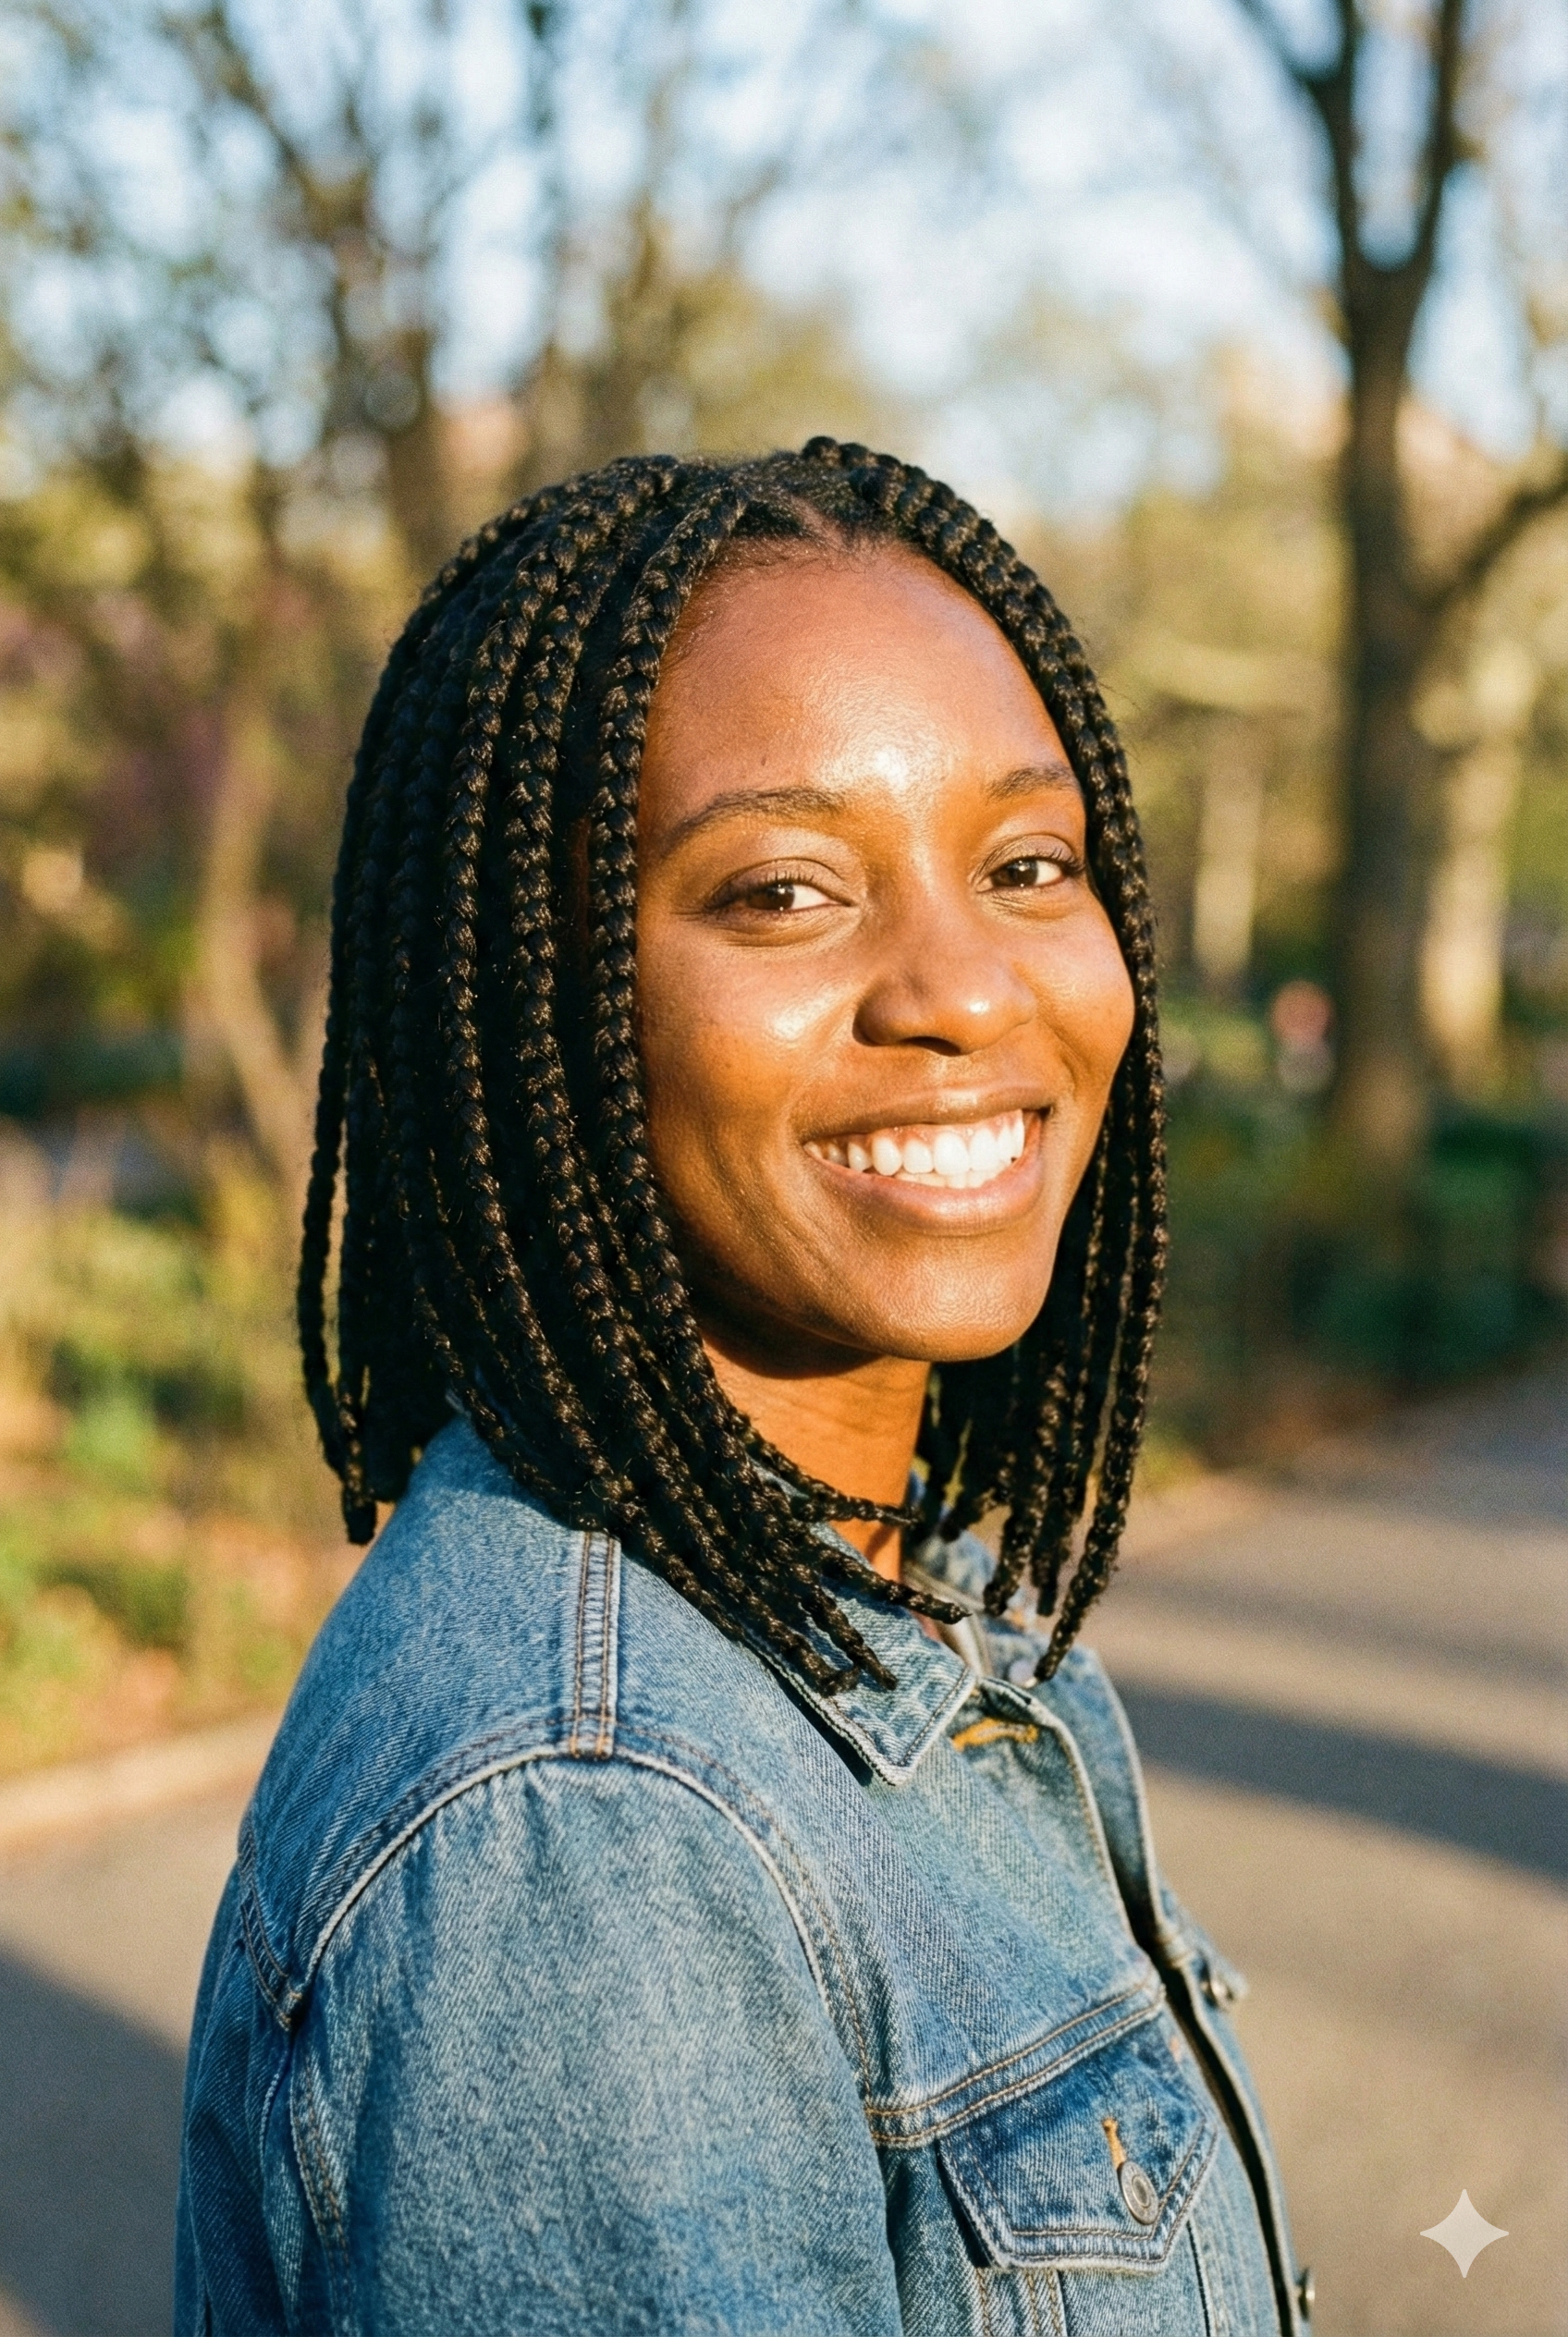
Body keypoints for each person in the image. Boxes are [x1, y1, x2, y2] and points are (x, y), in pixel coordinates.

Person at [176, 442, 1307, 2335]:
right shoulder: (593, 1829)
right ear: (540, 1001)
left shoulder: (887, 1592)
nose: (960, 988)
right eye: (783, 890)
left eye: (1027, 863)